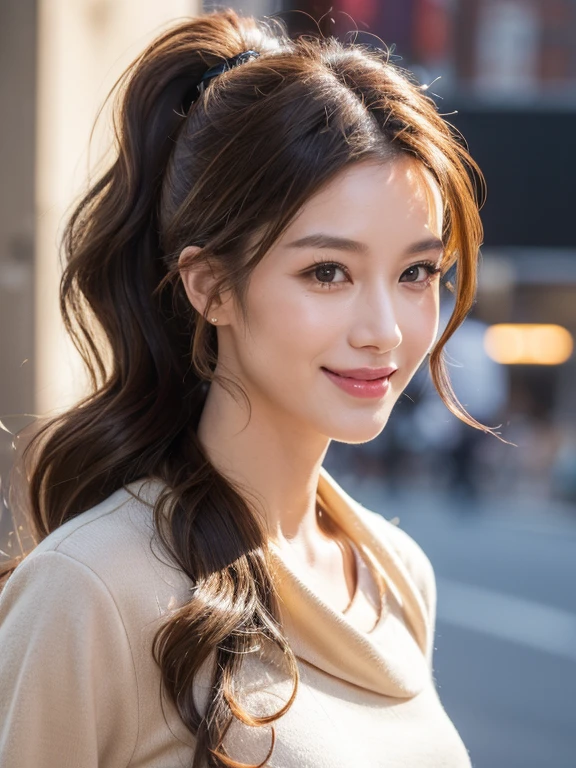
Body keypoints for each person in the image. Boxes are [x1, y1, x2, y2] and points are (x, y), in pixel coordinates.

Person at [0, 8, 505, 768]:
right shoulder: (91, 588)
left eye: (416, 273)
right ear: (212, 288)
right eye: (326, 272)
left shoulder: (396, 570)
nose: (386, 330)